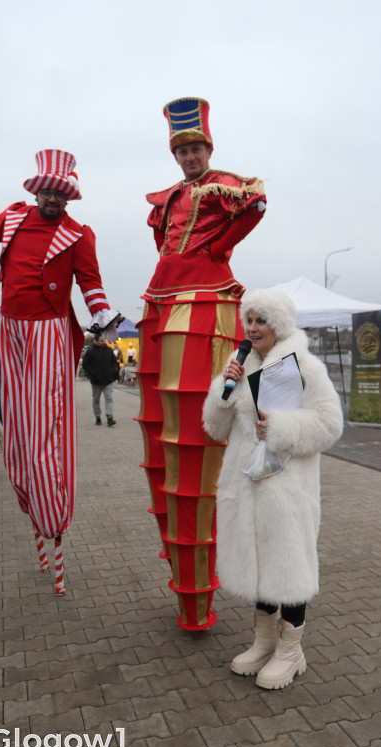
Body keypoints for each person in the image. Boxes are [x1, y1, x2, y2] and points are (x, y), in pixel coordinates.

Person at [0, 150, 122, 587]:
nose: (53, 198)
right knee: (17, 424)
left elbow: (90, 281)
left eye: (60, 193)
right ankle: (31, 496)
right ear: (37, 191)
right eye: (47, 191)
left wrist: (102, 315)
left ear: (68, 197)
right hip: (11, 329)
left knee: (48, 423)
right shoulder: (14, 218)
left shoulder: (77, 234)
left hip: (50, 328)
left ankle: (53, 507)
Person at [136, 97, 267, 630]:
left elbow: (256, 204)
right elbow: (162, 241)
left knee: (198, 442)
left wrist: (220, 248)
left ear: (208, 148)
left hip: (205, 301)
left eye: (196, 148)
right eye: (183, 150)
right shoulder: (168, 199)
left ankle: (199, 592)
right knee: (166, 439)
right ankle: (185, 585)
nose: (190, 157)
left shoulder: (225, 183)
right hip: (163, 302)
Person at [202, 289, 343, 688]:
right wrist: (223, 392)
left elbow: (330, 425)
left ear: (278, 326)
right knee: (262, 566)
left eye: (260, 320)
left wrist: (280, 429)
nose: (251, 328)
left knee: (288, 567)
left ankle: (290, 649)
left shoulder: (306, 367)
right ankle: (265, 641)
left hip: (286, 491)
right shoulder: (239, 364)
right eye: (249, 320)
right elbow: (214, 428)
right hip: (246, 487)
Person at [82, 334, 119, 426]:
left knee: (109, 398)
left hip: (108, 380)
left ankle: (109, 417)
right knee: (96, 400)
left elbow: (114, 362)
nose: (103, 343)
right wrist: (92, 373)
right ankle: (97, 417)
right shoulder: (90, 352)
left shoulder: (109, 350)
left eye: (104, 341)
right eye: (101, 341)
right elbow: (85, 364)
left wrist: (112, 371)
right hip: (96, 381)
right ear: (96, 341)